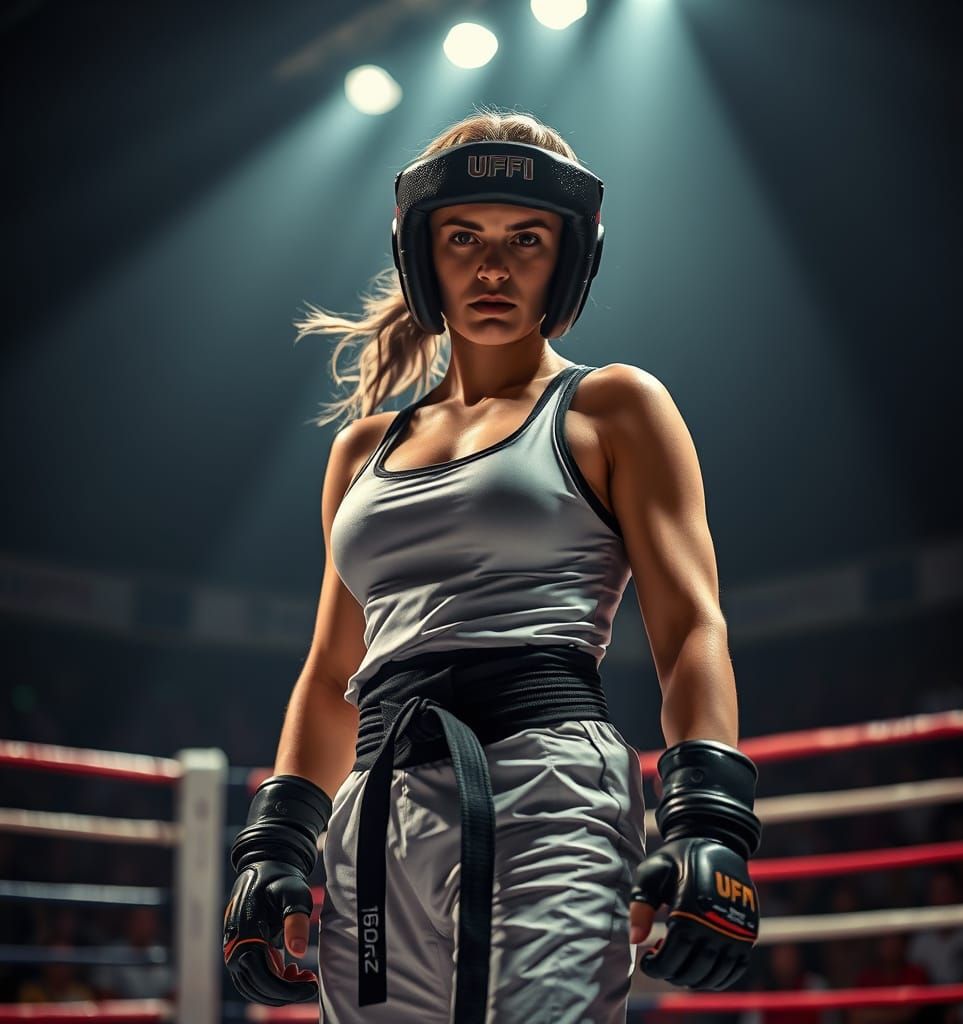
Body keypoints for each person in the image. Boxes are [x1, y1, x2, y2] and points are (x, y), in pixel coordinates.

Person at [222, 105, 762, 1023]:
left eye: (527, 240)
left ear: (569, 259)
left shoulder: (614, 406)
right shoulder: (359, 452)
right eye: (464, 236)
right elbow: (329, 674)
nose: (492, 267)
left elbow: (690, 626)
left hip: (550, 791)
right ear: (423, 255)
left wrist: (709, 816)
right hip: (377, 808)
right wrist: (276, 842)